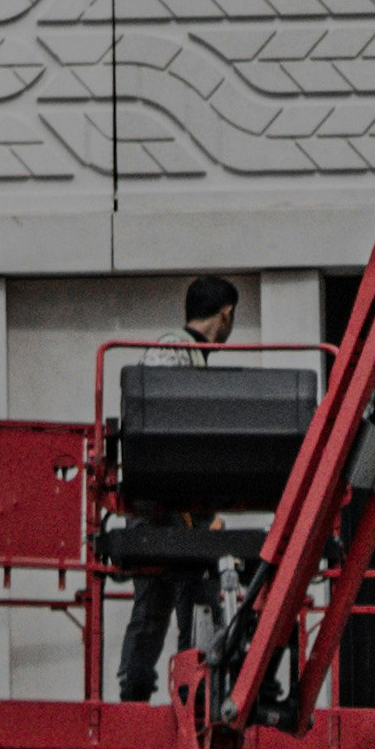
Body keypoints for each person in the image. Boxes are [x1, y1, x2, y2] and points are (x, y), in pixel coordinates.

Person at [110, 274, 254, 705]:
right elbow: (164, 430)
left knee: (171, 604)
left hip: (165, 503)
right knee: (174, 601)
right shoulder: (174, 350)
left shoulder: (180, 352)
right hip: (164, 505)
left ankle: (168, 692)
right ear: (226, 312)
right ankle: (168, 693)